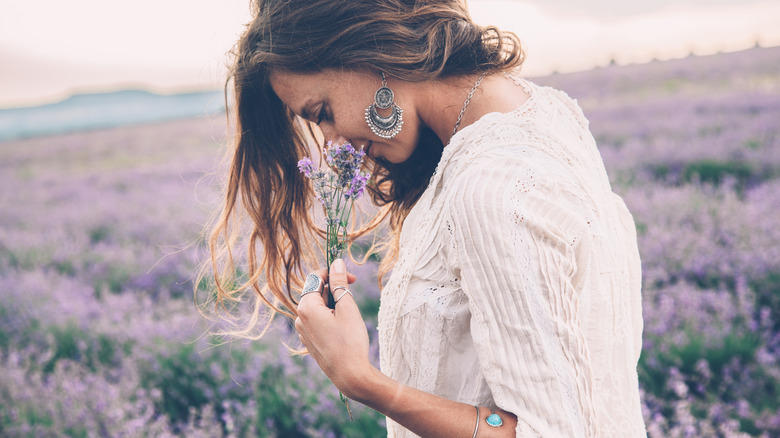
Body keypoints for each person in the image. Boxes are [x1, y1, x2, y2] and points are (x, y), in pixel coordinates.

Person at [206, 0, 647, 436]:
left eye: (321, 112)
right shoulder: (547, 114)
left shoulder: (491, 189)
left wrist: (361, 379)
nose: (333, 142)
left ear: (367, 51)